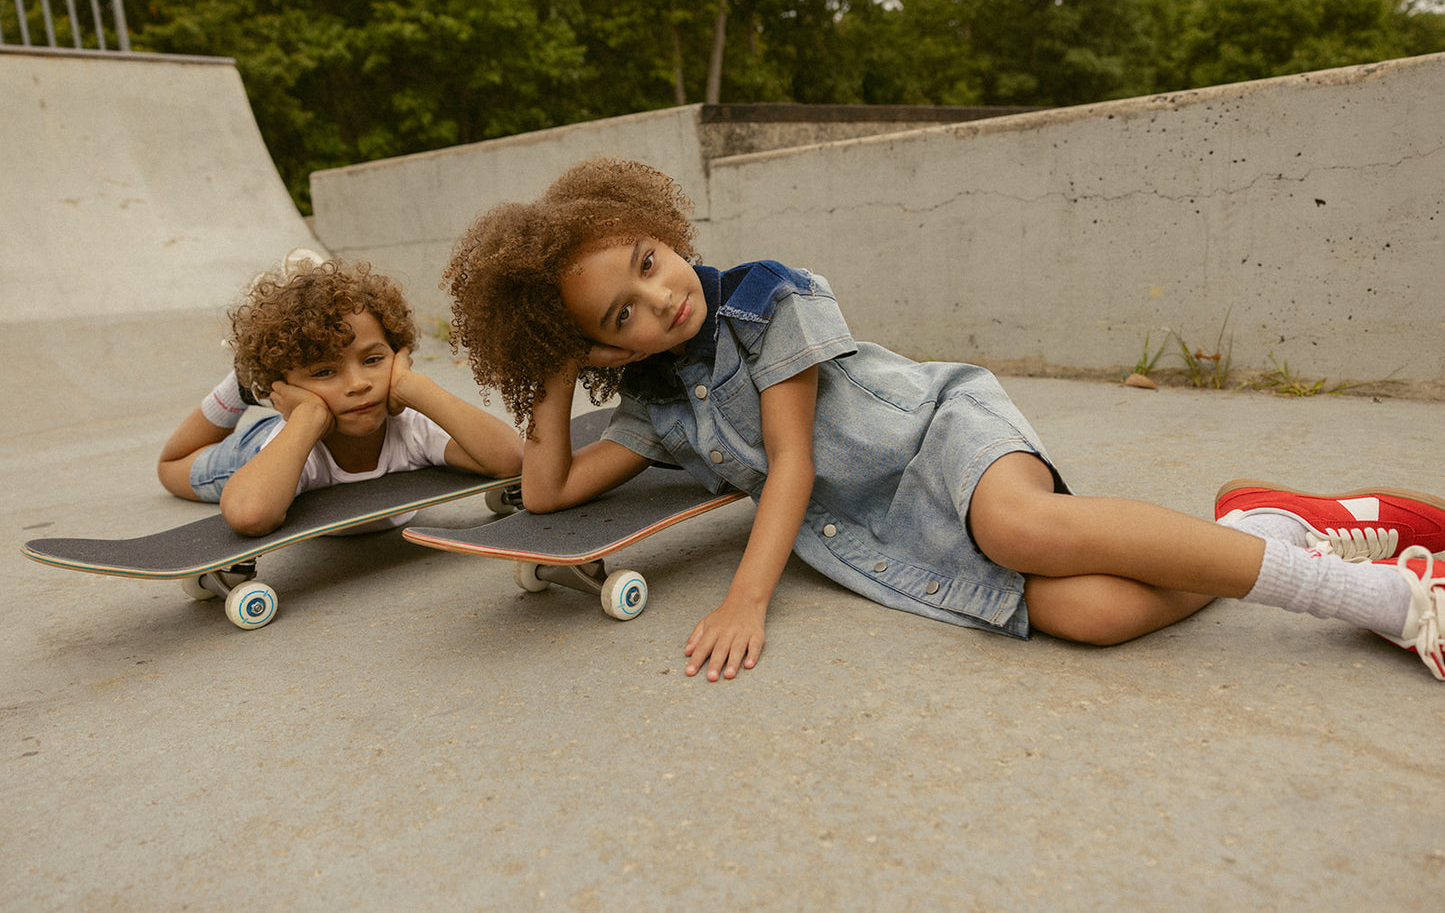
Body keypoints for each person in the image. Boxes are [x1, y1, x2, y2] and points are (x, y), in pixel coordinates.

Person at [441, 157, 1445, 683]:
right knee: (1093, 617)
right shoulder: (657, 405)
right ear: (605, 350)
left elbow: (790, 463)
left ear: (663, 234)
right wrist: (553, 372)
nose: (659, 300)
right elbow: (549, 491)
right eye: (619, 315)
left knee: (1018, 528)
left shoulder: (761, 301)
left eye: (648, 264)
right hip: (893, 528)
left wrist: (747, 598)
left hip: (938, 435)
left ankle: (1381, 599)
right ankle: (1266, 528)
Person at [158, 249, 522, 536]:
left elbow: (512, 458)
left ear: (398, 354)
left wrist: (413, 386)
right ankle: (240, 386)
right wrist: (308, 416)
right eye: (324, 371)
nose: (358, 384)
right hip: (267, 451)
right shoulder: (297, 440)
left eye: (373, 359)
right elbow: (250, 514)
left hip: (307, 422)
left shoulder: (411, 427)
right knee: (171, 468)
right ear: (284, 386)